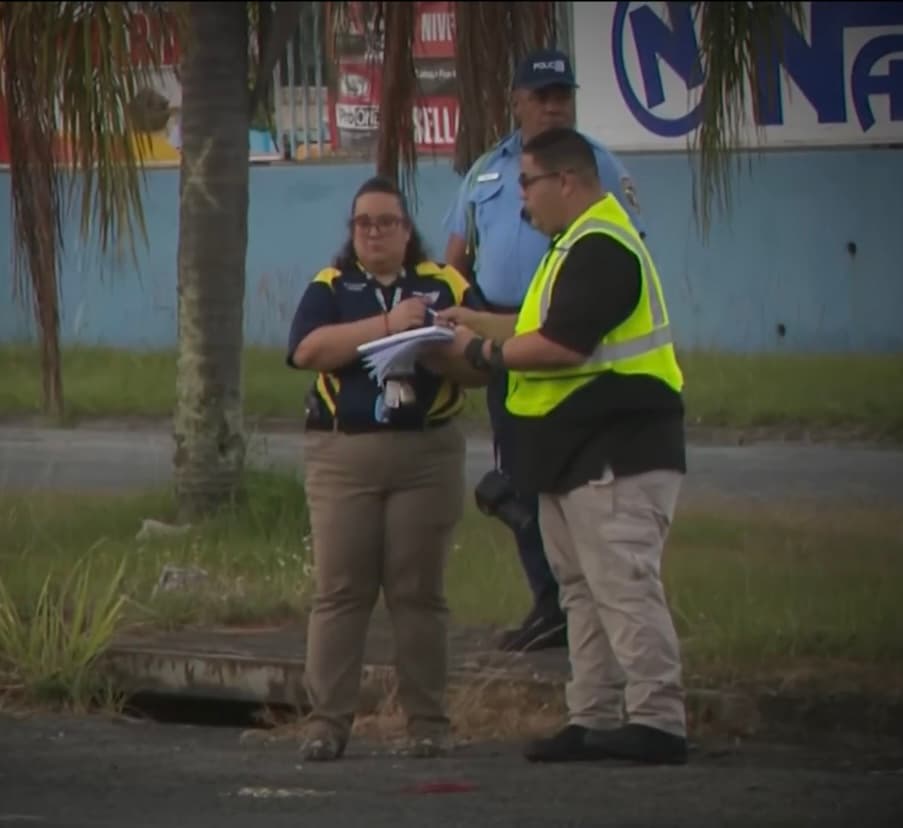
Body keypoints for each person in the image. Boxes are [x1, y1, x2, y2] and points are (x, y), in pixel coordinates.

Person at [437, 127, 689, 765]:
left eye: (527, 183)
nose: (521, 199)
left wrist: (481, 351)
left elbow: (561, 345)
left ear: (567, 180)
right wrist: (471, 321)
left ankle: (658, 720)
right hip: (570, 459)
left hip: (617, 454)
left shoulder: (603, 245)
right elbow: (535, 325)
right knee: (580, 592)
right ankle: (592, 716)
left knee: (623, 587)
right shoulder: (570, 246)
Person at [441, 47, 647, 653]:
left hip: (569, 341)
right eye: (542, 96)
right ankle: (550, 601)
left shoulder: (597, 166)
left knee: (577, 486)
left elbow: (624, 257)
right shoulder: (486, 172)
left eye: (563, 96)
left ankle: (589, 604)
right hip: (500, 329)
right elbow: (455, 258)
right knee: (518, 476)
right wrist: (460, 320)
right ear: (518, 101)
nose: (555, 106)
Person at [285, 175, 484, 761]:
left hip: (426, 454)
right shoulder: (332, 285)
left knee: (417, 591)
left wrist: (439, 344)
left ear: (407, 229)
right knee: (340, 590)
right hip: (344, 454)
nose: (374, 233)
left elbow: (482, 361)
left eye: (386, 222)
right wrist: (388, 326)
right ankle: (327, 723)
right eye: (363, 223)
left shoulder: (442, 283)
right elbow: (307, 350)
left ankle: (427, 722)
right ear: (351, 232)